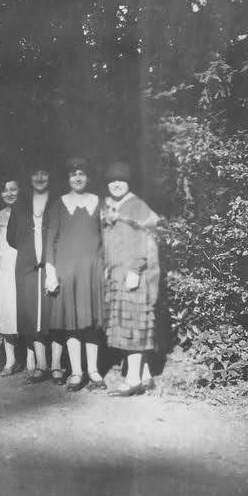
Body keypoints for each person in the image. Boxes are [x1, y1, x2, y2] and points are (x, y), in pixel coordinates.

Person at [45, 157, 105, 391]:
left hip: (91, 272)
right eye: (73, 174)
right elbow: (50, 241)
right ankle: (77, 372)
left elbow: (105, 237)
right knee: (71, 323)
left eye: (82, 173)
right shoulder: (58, 204)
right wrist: (51, 272)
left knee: (89, 323)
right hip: (66, 272)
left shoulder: (98, 203)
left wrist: (104, 266)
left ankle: (94, 371)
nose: (78, 178)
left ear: (87, 177)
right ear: (68, 178)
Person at [101, 161, 160, 397]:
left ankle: (133, 379)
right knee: (129, 323)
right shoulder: (111, 207)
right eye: (112, 181)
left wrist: (136, 269)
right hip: (117, 273)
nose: (116, 184)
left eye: (121, 180)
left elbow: (147, 241)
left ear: (128, 182)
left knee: (133, 325)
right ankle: (144, 374)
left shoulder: (137, 205)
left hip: (133, 273)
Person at [6, 162, 53, 383]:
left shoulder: (56, 201)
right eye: (36, 172)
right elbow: (11, 237)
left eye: (44, 172)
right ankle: (41, 364)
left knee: (49, 312)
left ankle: (57, 365)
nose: (40, 177)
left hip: (50, 265)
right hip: (25, 267)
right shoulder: (21, 205)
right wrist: (29, 252)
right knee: (31, 314)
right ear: (30, 177)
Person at [0, 178, 21, 376]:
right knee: (7, 314)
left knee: (22, 312)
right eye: (5, 190)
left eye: (13, 189)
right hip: (3, 269)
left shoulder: (26, 213)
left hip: (21, 267)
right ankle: (10, 360)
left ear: (19, 191)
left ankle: (30, 358)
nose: (9, 193)